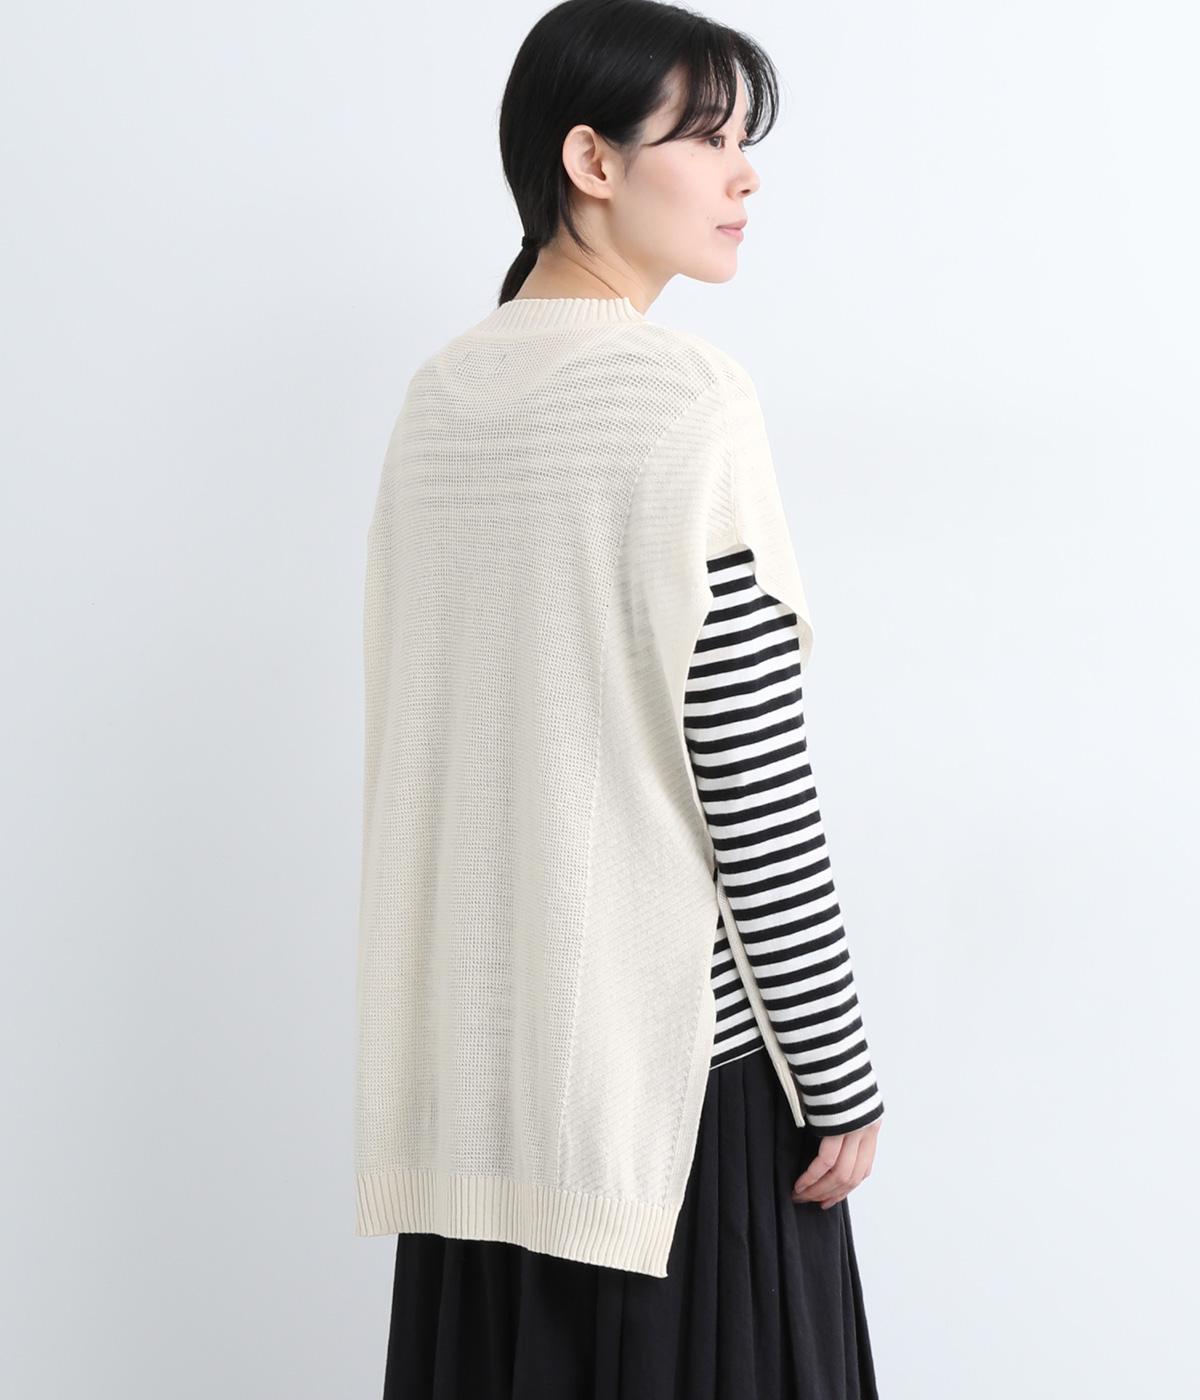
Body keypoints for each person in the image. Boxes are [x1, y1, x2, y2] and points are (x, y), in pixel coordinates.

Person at [354, 2, 886, 1394]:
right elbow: (750, 768)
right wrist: (836, 1074)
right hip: (670, 1102)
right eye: (706, 139)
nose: (744, 176)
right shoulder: (683, 399)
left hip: (480, 1097)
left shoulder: (438, 404)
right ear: (591, 161)